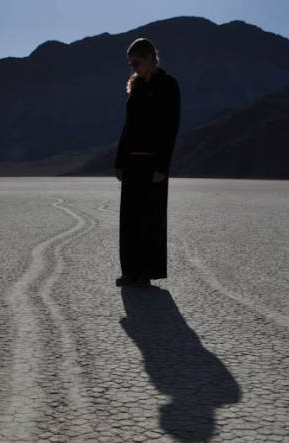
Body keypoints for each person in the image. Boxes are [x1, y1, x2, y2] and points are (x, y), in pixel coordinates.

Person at [114, 37, 181, 287]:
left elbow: (170, 128)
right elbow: (127, 127)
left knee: (150, 218)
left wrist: (163, 166)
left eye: (137, 62)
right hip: (132, 164)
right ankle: (130, 271)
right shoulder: (137, 87)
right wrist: (119, 161)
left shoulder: (168, 85)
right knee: (130, 219)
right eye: (131, 64)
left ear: (151, 58)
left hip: (153, 165)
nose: (134, 68)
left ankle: (146, 273)